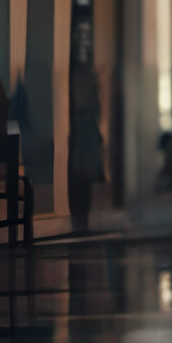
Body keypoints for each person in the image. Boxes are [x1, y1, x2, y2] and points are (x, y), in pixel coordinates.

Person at [67, 55, 105, 232]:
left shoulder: (81, 76)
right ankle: (81, 214)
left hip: (83, 131)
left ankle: (81, 214)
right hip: (84, 131)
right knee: (84, 175)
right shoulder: (85, 76)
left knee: (82, 175)